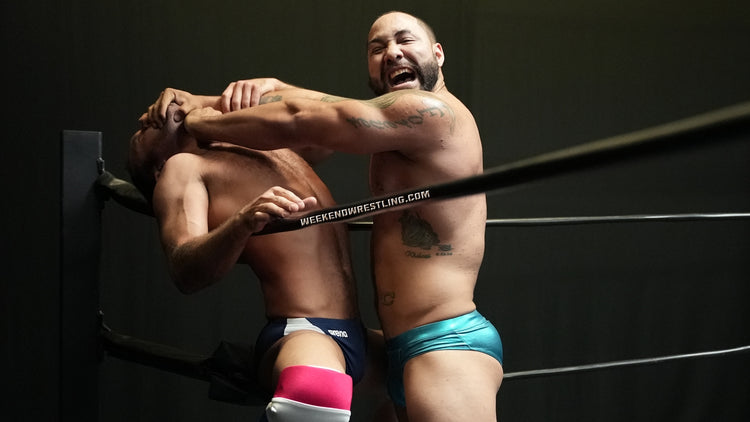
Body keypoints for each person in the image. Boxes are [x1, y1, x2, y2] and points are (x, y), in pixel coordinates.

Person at [148, 11, 503, 421]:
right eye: (377, 48)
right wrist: (259, 90)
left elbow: (304, 120)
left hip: (445, 343)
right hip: (396, 348)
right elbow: (324, 106)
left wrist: (197, 118)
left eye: (405, 40)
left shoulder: (433, 113)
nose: (392, 53)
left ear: (438, 54)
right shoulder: (394, 120)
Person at [128, 102, 392, 422]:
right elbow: (185, 271)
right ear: (158, 168)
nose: (145, 116)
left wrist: (205, 105)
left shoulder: (247, 139)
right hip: (306, 333)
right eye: (140, 134)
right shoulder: (181, 168)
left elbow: (321, 137)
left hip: (358, 334)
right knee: (314, 393)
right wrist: (242, 223)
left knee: (439, 369)